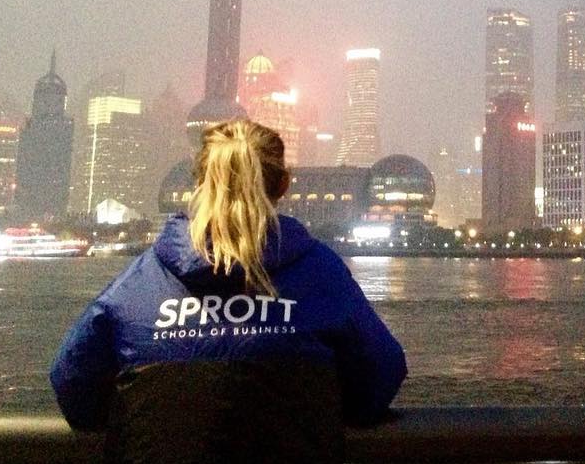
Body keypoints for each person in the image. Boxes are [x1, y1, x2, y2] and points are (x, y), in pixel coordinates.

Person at [50, 119, 406, 433]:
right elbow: (376, 385)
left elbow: (75, 393)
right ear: (283, 185)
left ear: (199, 183)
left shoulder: (139, 282)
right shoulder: (323, 274)